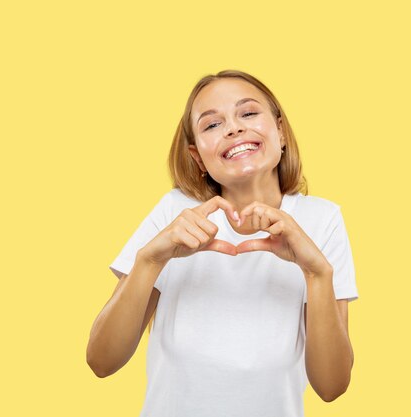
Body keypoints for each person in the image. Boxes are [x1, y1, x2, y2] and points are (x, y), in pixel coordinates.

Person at [86, 69, 359, 417]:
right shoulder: (176, 212)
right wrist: (149, 261)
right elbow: (102, 361)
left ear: (281, 131)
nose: (233, 128)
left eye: (247, 113)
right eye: (212, 125)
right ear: (198, 157)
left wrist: (317, 273)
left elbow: (332, 386)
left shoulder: (323, 220)